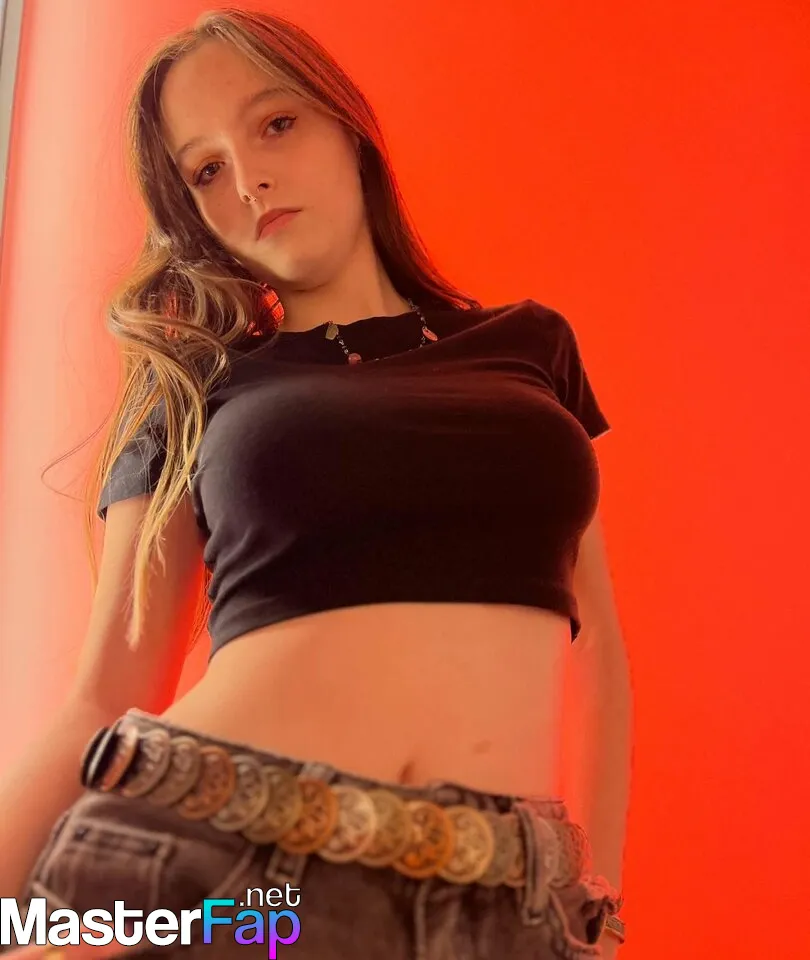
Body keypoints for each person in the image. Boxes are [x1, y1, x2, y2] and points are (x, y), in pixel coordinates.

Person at [0, 7, 632, 959]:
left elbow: (600, 646)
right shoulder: (196, 387)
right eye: (205, 170)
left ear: (348, 125)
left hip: (499, 904)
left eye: (276, 124)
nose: (248, 178)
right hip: (234, 885)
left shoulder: (532, 346)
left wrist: (598, 909)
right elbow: (105, 695)